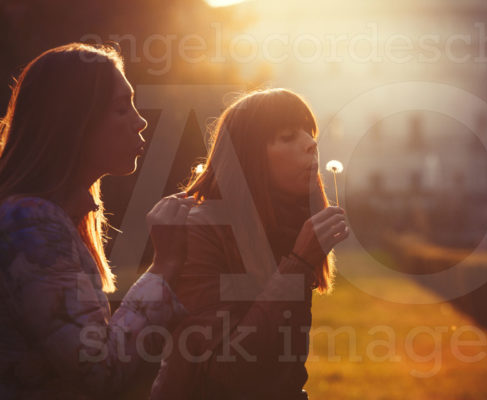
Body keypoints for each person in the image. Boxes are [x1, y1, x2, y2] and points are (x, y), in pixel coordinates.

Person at [0, 43, 192, 399]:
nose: (141, 120)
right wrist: (163, 266)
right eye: (122, 108)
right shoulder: (29, 225)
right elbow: (98, 369)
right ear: (73, 123)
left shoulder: (53, 215)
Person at [151, 88, 349, 399]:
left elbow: (281, 367)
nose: (311, 144)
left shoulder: (284, 225)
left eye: (309, 134)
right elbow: (228, 371)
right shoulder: (203, 229)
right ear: (249, 155)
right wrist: (297, 265)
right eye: (287, 136)